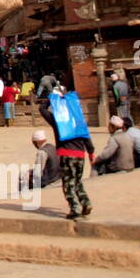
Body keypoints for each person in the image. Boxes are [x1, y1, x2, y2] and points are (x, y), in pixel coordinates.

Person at [38, 92, 95, 220]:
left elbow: (42, 109)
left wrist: (51, 99)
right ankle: (86, 202)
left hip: (66, 154)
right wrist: (91, 153)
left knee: (68, 183)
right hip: (80, 155)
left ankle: (75, 209)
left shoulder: (58, 121)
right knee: (77, 181)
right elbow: (87, 139)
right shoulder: (78, 121)